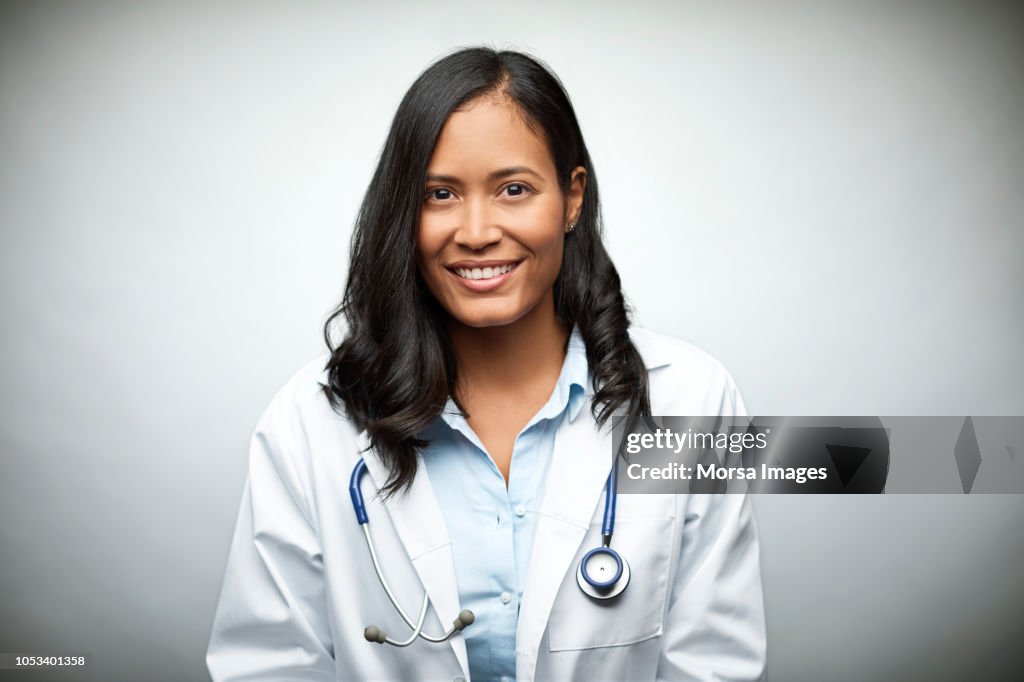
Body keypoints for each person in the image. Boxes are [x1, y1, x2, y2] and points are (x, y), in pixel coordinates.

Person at [206, 46, 766, 682]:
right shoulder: (311, 419)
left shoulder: (696, 399)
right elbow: (269, 666)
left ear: (572, 198)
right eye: (440, 194)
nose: (475, 231)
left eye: (514, 190)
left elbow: (714, 664)